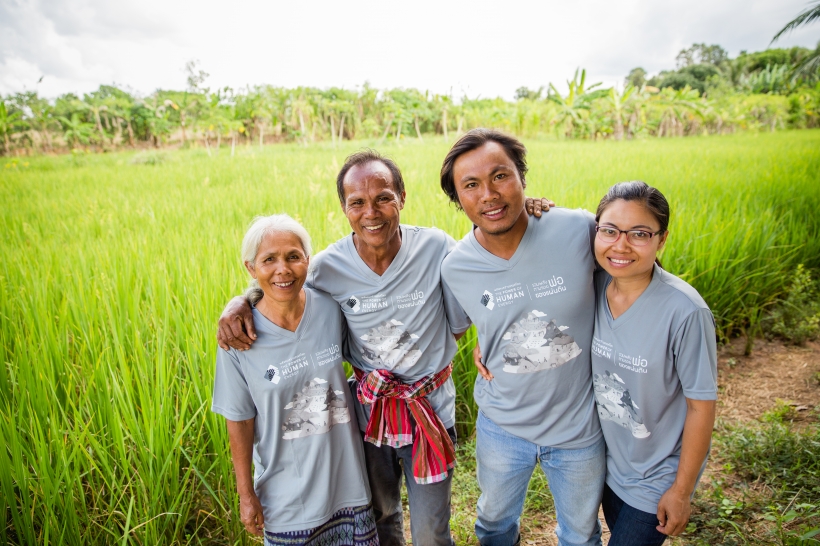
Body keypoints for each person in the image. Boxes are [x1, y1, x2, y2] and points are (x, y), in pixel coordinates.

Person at [217, 150, 552, 546]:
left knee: (430, 529)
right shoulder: (328, 268)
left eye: (383, 198)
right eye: (357, 202)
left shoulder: (436, 248)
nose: (371, 212)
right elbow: (282, 283)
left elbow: (487, 263)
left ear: (402, 197)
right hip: (368, 416)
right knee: (382, 516)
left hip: (430, 409)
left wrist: (527, 211)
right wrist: (241, 301)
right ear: (344, 209)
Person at [439, 128, 605, 546]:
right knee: (493, 525)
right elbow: (469, 323)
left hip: (579, 427)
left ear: (522, 179)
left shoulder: (578, 228)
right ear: (458, 200)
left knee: (581, 535)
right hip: (502, 424)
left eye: (501, 176)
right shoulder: (456, 267)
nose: (489, 194)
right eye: (471, 185)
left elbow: (628, 287)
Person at [211, 214, 378, 546]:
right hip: (287, 503)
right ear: (251, 268)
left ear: (307, 261)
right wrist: (246, 495)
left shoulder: (331, 308)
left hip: (350, 489)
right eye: (268, 260)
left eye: (292, 256)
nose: (282, 269)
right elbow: (239, 421)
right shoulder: (239, 339)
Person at [590, 181, 717, 545]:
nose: (621, 245)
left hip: (655, 475)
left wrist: (681, 491)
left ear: (661, 240)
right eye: (610, 230)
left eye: (640, 233)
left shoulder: (685, 311)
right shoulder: (593, 285)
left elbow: (700, 406)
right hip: (606, 464)